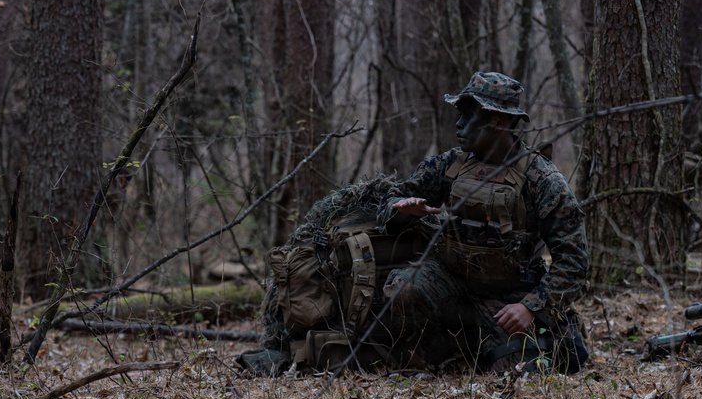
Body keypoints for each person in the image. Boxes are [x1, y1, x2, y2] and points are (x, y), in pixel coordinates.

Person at [239, 72, 588, 376]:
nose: (459, 124)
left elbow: (574, 262)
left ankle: (480, 346)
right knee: (404, 287)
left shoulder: (542, 179)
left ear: (497, 121)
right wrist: (401, 210)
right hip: (451, 282)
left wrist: (531, 307)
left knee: (527, 367)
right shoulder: (449, 165)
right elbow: (394, 199)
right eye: (459, 114)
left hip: (509, 296)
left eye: (469, 115)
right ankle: (436, 353)